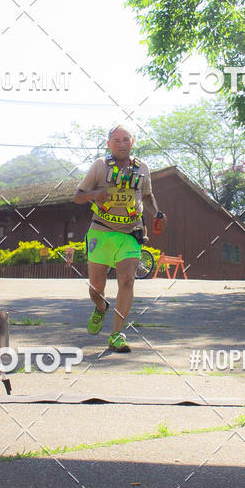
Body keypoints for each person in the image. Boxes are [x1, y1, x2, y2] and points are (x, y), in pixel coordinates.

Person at [73, 124, 166, 353]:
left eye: (126, 139)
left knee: (127, 281)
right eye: (117, 140)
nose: (122, 144)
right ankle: (100, 305)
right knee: (96, 286)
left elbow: (147, 194)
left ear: (132, 141)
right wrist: (95, 194)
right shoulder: (99, 166)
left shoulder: (142, 168)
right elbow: (77, 197)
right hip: (102, 231)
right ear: (108, 144)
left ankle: (116, 335)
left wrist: (157, 213)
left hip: (130, 233)